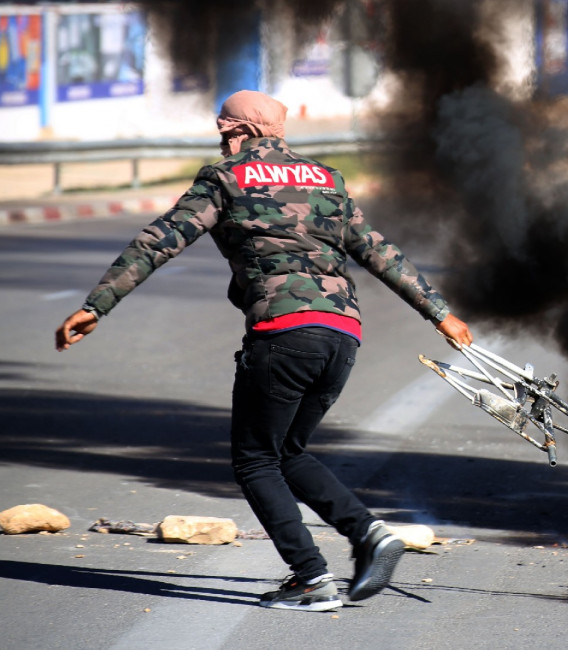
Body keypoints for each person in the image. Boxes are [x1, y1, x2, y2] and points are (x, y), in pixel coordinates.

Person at [55, 90, 474, 612]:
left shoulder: (224, 179)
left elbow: (158, 241)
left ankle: (311, 577)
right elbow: (379, 251)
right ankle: (368, 533)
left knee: (254, 459)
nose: (223, 140)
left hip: (284, 334)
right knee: (286, 452)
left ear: (246, 131)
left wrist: (98, 304)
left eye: (226, 130)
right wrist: (440, 312)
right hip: (342, 336)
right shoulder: (327, 180)